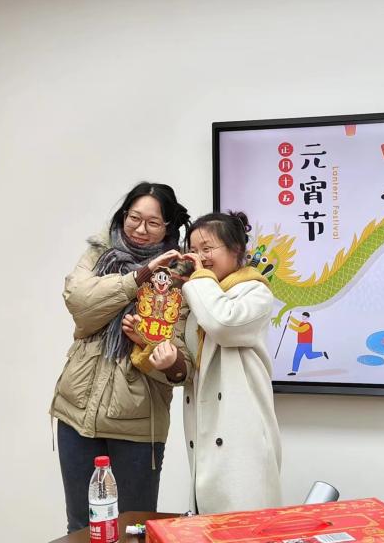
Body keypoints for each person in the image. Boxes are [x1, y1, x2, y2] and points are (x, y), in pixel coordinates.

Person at [50, 182, 193, 533]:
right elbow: (80, 303)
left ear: (168, 227)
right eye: (134, 218)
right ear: (123, 215)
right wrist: (139, 277)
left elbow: (183, 365)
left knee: (134, 529)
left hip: (138, 425)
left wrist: (152, 349)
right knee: (81, 528)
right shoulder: (100, 252)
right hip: (76, 413)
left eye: (153, 223)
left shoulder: (181, 275)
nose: (141, 229)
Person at [154, 211, 282, 514]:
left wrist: (198, 280)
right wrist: (170, 360)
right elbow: (193, 361)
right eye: (193, 249)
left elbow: (223, 324)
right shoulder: (201, 295)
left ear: (236, 249)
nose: (199, 257)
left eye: (207, 248)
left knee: (243, 520)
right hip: (205, 427)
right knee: (209, 522)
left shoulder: (255, 291)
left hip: (242, 429)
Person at [287, 311, 328, 376]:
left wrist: (290, 325)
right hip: (302, 343)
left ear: (308, 318)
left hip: (305, 344)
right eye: (302, 316)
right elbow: (297, 322)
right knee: (308, 355)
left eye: (305, 317)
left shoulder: (307, 325)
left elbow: (300, 329)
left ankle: (294, 371)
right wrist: (290, 318)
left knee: (299, 356)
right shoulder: (302, 323)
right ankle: (322, 353)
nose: (303, 318)